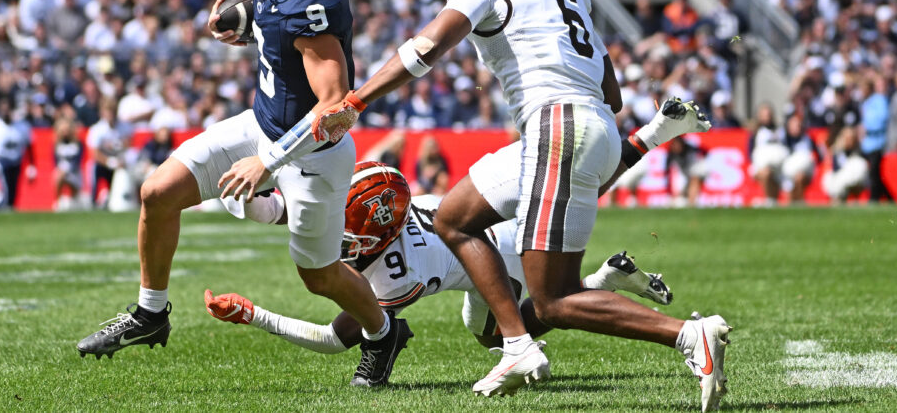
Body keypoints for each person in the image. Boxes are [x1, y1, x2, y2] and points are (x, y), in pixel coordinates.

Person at [311, 0, 729, 411]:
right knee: (454, 216)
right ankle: (516, 344)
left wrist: (357, 100)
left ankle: (687, 335)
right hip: (586, 121)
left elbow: (426, 47)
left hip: (556, 123)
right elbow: (611, 90)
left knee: (554, 298)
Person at [77, 0, 411, 389]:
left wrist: (267, 162)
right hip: (262, 121)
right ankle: (151, 314)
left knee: (319, 276)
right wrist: (244, 28)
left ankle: (383, 332)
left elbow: (335, 104)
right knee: (157, 193)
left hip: (313, 154)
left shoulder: (314, 2)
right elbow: (274, 26)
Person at [206, 161, 672, 353]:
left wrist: (253, 315)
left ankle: (598, 285)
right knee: (578, 183)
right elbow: (287, 209)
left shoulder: (395, 275)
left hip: (500, 261)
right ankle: (653, 135)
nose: (336, 236)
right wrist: (239, 189)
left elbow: (334, 339)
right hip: (486, 234)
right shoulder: (385, 213)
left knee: (508, 330)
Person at [0, 98, 35, 209]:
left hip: (16, 161)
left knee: (13, 190)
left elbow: (29, 146)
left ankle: (5, 206)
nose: (5, 112)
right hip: (1, 161)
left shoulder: (22, 126)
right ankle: (0, 204)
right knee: (5, 190)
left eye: (8, 109)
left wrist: (32, 165)